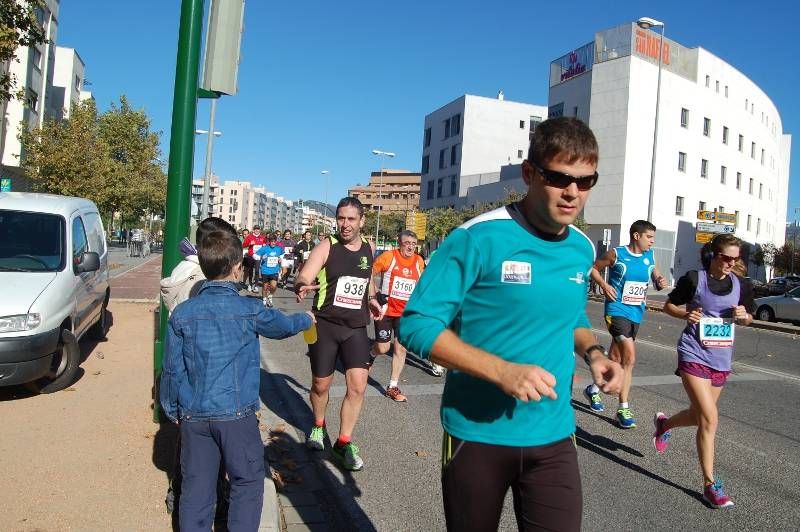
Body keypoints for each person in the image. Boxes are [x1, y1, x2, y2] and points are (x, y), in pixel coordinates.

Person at [399, 117, 622, 532]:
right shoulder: (477, 237)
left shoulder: (581, 247)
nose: (573, 191)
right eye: (559, 177)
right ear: (530, 173)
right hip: (477, 433)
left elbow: (570, 313)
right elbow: (416, 324)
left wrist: (593, 353)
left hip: (553, 434)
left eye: (586, 181)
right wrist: (501, 371)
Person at [161, 229, 313, 530]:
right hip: (236, 416)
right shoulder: (249, 309)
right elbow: (282, 325)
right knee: (246, 482)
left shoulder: (183, 313)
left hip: (194, 414)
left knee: (196, 490)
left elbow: (172, 370)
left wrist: (171, 408)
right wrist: (305, 319)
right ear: (236, 267)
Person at [653, 234, 754, 509]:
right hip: (693, 353)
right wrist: (685, 314)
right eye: (726, 258)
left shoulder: (741, 285)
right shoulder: (694, 279)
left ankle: (664, 425)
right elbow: (669, 305)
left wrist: (744, 317)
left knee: (700, 416)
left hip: (721, 359)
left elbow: (748, 317)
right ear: (713, 255)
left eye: (736, 259)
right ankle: (711, 485)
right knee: (710, 418)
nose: (731, 263)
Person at [160, 217, 241, 520]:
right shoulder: (201, 280)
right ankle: (203, 498)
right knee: (204, 451)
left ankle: (181, 492)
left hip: (187, 375)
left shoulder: (184, 270)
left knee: (191, 446)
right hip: (206, 377)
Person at [294, 197, 383, 472]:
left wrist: (371, 299)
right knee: (321, 384)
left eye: (351, 219)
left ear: (361, 221)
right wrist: (302, 284)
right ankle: (318, 425)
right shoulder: (327, 246)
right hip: (325, 326)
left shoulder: (369, 247)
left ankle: (343, 443)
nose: (345, 225)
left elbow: (366, 280)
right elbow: (305, 274)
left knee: (357, 386)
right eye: (341, 218)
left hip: (356, 327)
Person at [584, 220, 667, 428]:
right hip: (616, 311)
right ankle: (623, 408)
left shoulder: (650, 256)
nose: (652, 242)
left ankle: (593, 389)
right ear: (636, 236)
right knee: (629, 356)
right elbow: (593, 268)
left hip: (635, 314)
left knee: (615, 357)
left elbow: (655, 275)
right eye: (649, 237)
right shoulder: (616, 254)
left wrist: (659, 281)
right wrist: (603, 284)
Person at [371, 230, 427, 401]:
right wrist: (374, 293)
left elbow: (423, 283)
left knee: (401, 348)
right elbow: (368, 273)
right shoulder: (389, 257)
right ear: (399, 243)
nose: (410, 246)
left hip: (405, 313)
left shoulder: (418, 261)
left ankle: (392, 386)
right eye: (406, 243)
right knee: (383, 348)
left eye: (413, 243)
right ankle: (370, 355)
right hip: (386, 310)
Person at [253, 234, 283, 307]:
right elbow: (255, 255)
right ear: (269, 241)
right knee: (265, 286)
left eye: (274, 241)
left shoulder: (278, 249)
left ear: (276, 241)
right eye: (272, 241)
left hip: (274, 270)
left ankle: (270, 296)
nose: (273, 243)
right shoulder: (264, 248)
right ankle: (264, 299)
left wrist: (280, 259)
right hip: (265, 270)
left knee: (274, 286)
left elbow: (282, 256)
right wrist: (261, 258)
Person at [242, 225, 266, 293]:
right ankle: (249, 284)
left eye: (258, 229)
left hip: (258, 256)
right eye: (255, 229)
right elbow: (244, 245)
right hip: (251, 256)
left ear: (260, 230)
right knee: (250, 270)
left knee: (257, 271)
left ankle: (256, 286)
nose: (257, 230)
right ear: (253, 230)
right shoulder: (249, 237)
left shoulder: (262, 237)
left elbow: (265, 246)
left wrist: (264, 246)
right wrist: (249, 243)